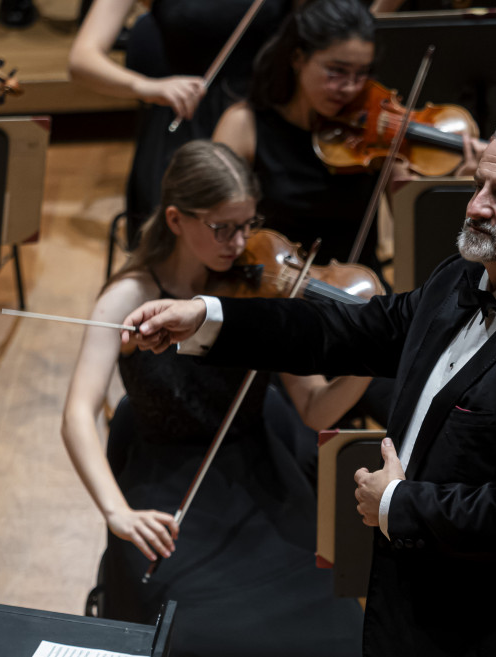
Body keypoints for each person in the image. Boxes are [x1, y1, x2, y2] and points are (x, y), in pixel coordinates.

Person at [122, 114, 496, 656]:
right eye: (479, 183)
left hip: (483, 631)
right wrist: (210, 319)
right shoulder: (456, 280)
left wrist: (398, 504)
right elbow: (343, 329)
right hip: (401, 607)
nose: (476, 206)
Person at [61, 140, 368, 656]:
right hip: (167, 481)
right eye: (222, 228)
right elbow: (77, 412)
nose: (239, 243)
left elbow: (315, 409)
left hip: (260, 470)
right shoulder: (129, 297)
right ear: (177, 220)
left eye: (248, 225)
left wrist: (367, 359)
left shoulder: (262, 288)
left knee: (335, 624)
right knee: (195, 631)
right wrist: (116, 512)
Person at [213, 0, 484, 278]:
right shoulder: (244, 126)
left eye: (361, 73)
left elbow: (414, 233)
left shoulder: (372, 138)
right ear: (297, 59)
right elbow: (213, 226)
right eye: (337, 71)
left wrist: (465, 186)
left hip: (358, 295)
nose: (350, 87)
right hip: (271, 291)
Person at [68, 0, 293, 247]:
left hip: (267, 123)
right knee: (175, 243)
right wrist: (146, 86)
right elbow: (82, 59)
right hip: (187, 116)